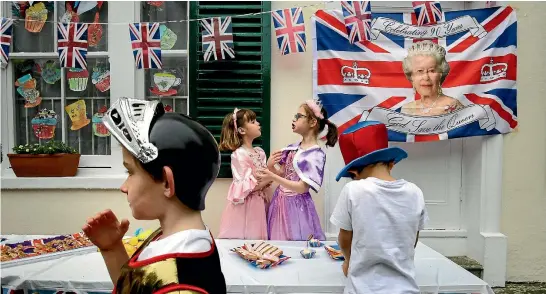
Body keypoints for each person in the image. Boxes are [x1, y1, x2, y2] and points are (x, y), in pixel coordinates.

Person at [82, 97, 226, 294]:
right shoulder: (176, 240)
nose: (124, 187)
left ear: (167, 182)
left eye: (130, 172)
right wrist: (112, 249)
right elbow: (139, 286)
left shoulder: (181, 286)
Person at [330, 121, 428, 294]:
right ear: (391, 164)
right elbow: (411, 240)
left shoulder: (353, 190)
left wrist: (348, 262)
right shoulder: (415, 192)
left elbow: (344, 240)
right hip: (406, 289)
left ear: (354, 173)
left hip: (362, 289)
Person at [259, 99, 338, 241]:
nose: (293, 119)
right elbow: (282, 174)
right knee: (278, 242)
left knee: (296, 241)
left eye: (298, 116)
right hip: (280, 202)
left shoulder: (316, 155)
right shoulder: (292, 148)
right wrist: (271, 166)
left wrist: (272, 176)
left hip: (297, 206)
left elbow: (302, 188)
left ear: (313, 122)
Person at [217, 108, 271, 240]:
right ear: (242, 130)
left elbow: (264, 180)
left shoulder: (260, 152)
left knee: (259, 242)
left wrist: (274, 172)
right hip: (246, 205)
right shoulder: (239, 154)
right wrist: (272, 172)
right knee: (246, 239)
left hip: (260, 202)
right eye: (253, 121)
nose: (258, 123)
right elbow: (249, 187)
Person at [401, 40, 464, 116]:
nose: (426, 77)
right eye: (420, 71)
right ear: (411, 76)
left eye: (432, 71)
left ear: (441, 74)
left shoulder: (453, 106)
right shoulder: (406, 109)